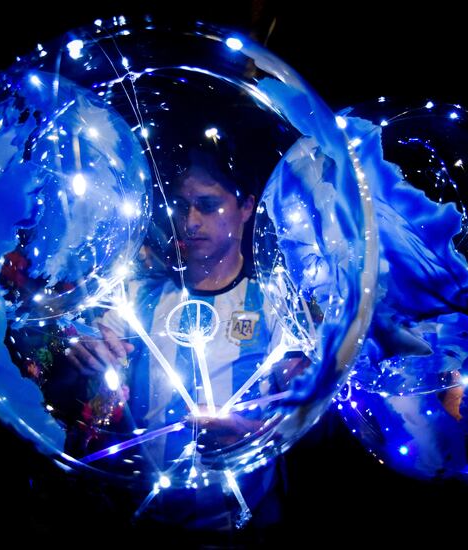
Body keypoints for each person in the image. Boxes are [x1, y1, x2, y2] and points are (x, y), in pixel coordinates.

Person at [59, 147, 309, 530]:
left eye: (207, 205)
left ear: (246, 207)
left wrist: (256, 436)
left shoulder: (276, 301)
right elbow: (89, 338)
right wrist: (82, 348)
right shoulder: (142, 295)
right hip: (145, 520)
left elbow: (309, 405)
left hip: (243, 526)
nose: (190, 221)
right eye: (182, 206)